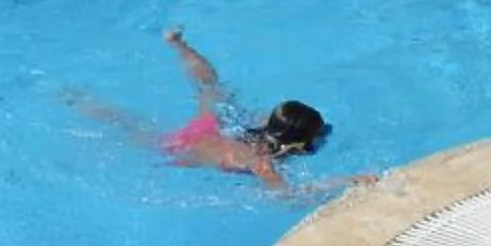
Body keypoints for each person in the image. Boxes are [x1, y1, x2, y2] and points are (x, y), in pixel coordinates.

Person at [74, 27, 376, 198]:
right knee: (130, 127)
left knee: (211, 88)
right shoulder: (262, 163)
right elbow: (287, 197)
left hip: (214, 129)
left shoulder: (266, 125)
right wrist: (347, 181)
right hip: (182, 148)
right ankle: (87, 106)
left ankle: (179, 44)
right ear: (297, 143)